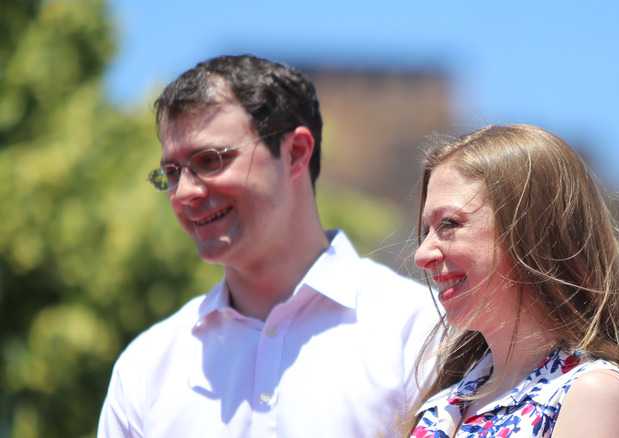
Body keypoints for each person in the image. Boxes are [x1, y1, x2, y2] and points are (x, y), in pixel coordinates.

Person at [97, 54, 438, 437]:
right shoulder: (147, 368)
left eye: (209, 160)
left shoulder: (420, 333)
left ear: (295, 153)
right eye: (172, 173)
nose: (185, 193)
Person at [403, 124, 619, 437]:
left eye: (449, 223)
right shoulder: (443, 406)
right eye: (427, 229)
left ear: (530, 231)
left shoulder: (591, 395)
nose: (422, 254)